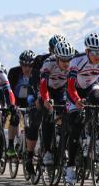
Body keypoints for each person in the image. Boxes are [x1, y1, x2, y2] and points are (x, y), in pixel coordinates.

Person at [63, 33, 99, 186]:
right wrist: (76, 100)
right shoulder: (77, 60)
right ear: (87, 51)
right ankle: (70, 168)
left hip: (90, 88)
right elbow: (69, 85)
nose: (98, 55)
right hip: (74, 91)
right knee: (75, 125)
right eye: (94, 52)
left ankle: (97, 135)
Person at [26, 40, 75, 172]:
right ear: (57, 57)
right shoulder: (48, 63)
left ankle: (62, 145)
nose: (66, 63)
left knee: (69, 114)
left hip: (61, 90)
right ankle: (40, 153)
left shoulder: (73, 63)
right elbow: (42, 84)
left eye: (68, 60)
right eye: (63, 60)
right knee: (42, 116)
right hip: (46, 89)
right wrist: (45, 100)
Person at [5, 50, 36, 158]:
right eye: (24, 65)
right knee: (15, 118)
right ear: (20, 64)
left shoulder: (37, 73)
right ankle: (10, 145)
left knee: (33, 122)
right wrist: (12, 105)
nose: (27, 68)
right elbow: (8, 90)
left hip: (30, 100)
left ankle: (28, 148)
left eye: (30, 65)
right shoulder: (14, 72)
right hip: (16, 99)